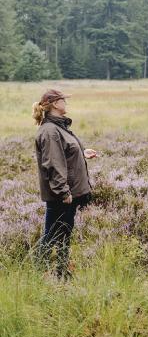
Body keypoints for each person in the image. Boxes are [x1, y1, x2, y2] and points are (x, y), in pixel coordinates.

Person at [33, 89, 97, 279]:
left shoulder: (58, 127)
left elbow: (64, 154)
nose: (66, 103)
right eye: (63, 100)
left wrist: (82, 153)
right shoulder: (50, 131)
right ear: (54, 104)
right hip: (61, 196)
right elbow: (53, 164)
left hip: (68, 193)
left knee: (63, 234)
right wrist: (64, 192)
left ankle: (62, 272)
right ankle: (37, 274)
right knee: (52, 235)